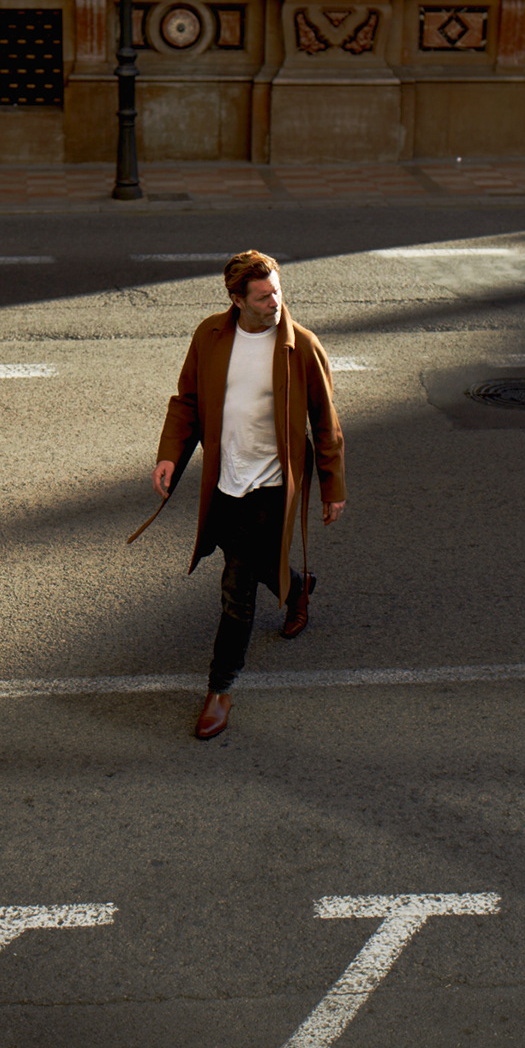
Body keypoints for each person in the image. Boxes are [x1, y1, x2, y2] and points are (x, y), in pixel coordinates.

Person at [143, 250, 346, 739]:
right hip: (225, 478)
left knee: (237, 588)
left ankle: (220, 688)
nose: (275, 302)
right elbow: (187, 400)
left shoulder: (301, 346)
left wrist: (332, 486)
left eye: (277, 291)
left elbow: (325, 421)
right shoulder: (211, 335)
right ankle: (297, 587)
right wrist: (169, 454)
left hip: (271, 485)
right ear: (237, 300)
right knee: (250, 560)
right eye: (263, 296)